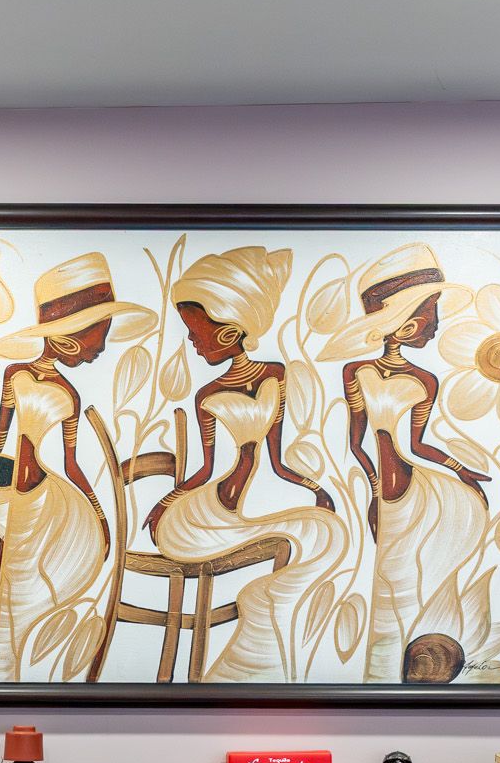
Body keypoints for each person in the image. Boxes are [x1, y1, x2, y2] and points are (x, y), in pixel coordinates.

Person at [142, 246, 349, 682]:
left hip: (243, 509)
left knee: (326, 531)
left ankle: (261, 640)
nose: (191, 342)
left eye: (195, 332)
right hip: (202, 514)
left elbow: (276, 459)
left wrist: (314, 488)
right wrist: (165, 504)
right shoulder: (207, 395)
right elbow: (205, 471)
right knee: (306, 534)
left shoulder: (276, 375)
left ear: (228, 332)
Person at [0, 253, 147, 681]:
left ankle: (19, 673)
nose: (101, 350)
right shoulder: (15, 375)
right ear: (68, 338)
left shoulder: (69, 394)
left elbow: (71, 463)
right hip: (12, 496)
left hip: (48, 503)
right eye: (97, 340)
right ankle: (0, 675)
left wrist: (99, 515)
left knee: (27, 587)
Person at [333, 243, 492, 683]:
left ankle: (394, 674)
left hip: (418, 493)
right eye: (431, 312)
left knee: (404, 582)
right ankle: (378, 674)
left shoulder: (425, 380)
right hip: (388, 493)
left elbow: (417, 445)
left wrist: (459, 470)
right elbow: (356, 442)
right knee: (386, 579)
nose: (437, 324)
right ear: (404, 322)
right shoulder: (355, 372)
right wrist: (373, 492)